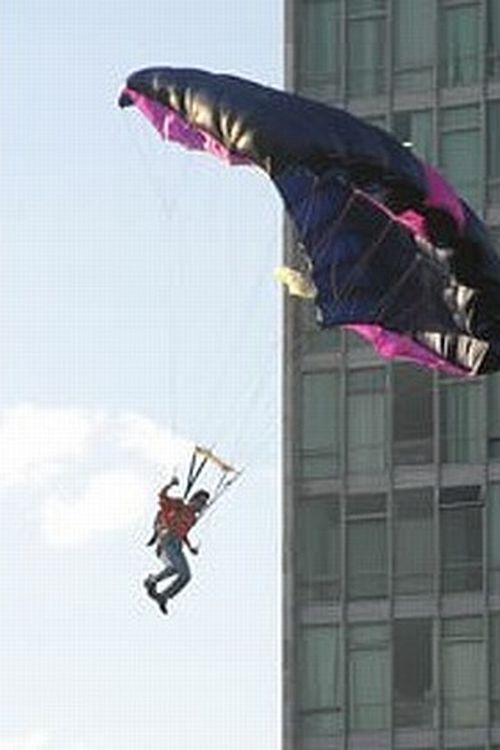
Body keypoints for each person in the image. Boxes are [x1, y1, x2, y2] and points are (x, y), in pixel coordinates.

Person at [143, 478, 210, 615]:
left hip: (177, 545)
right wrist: (170, 484)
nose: (202, 505)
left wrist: (190, 547)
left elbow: (183, 533)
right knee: (176, 569)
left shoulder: (192, 519)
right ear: (193, 499)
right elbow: (162, 496)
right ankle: (152, 581)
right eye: (201, 502)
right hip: (166, 541)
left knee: (186, 576)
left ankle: (163, 596)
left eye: (204, 504)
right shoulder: (179, 505)